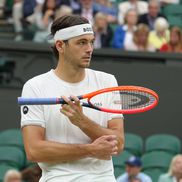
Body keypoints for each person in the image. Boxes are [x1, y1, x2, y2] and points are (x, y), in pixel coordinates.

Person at [20, 14, 124, 182]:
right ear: (60, 45)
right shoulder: (35, 87)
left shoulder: (108, 81)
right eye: (82, 42)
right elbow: (34, 150)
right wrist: (90, 150)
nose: (90, 48)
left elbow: (118, 144)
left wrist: (81, 121)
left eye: (91, 41)